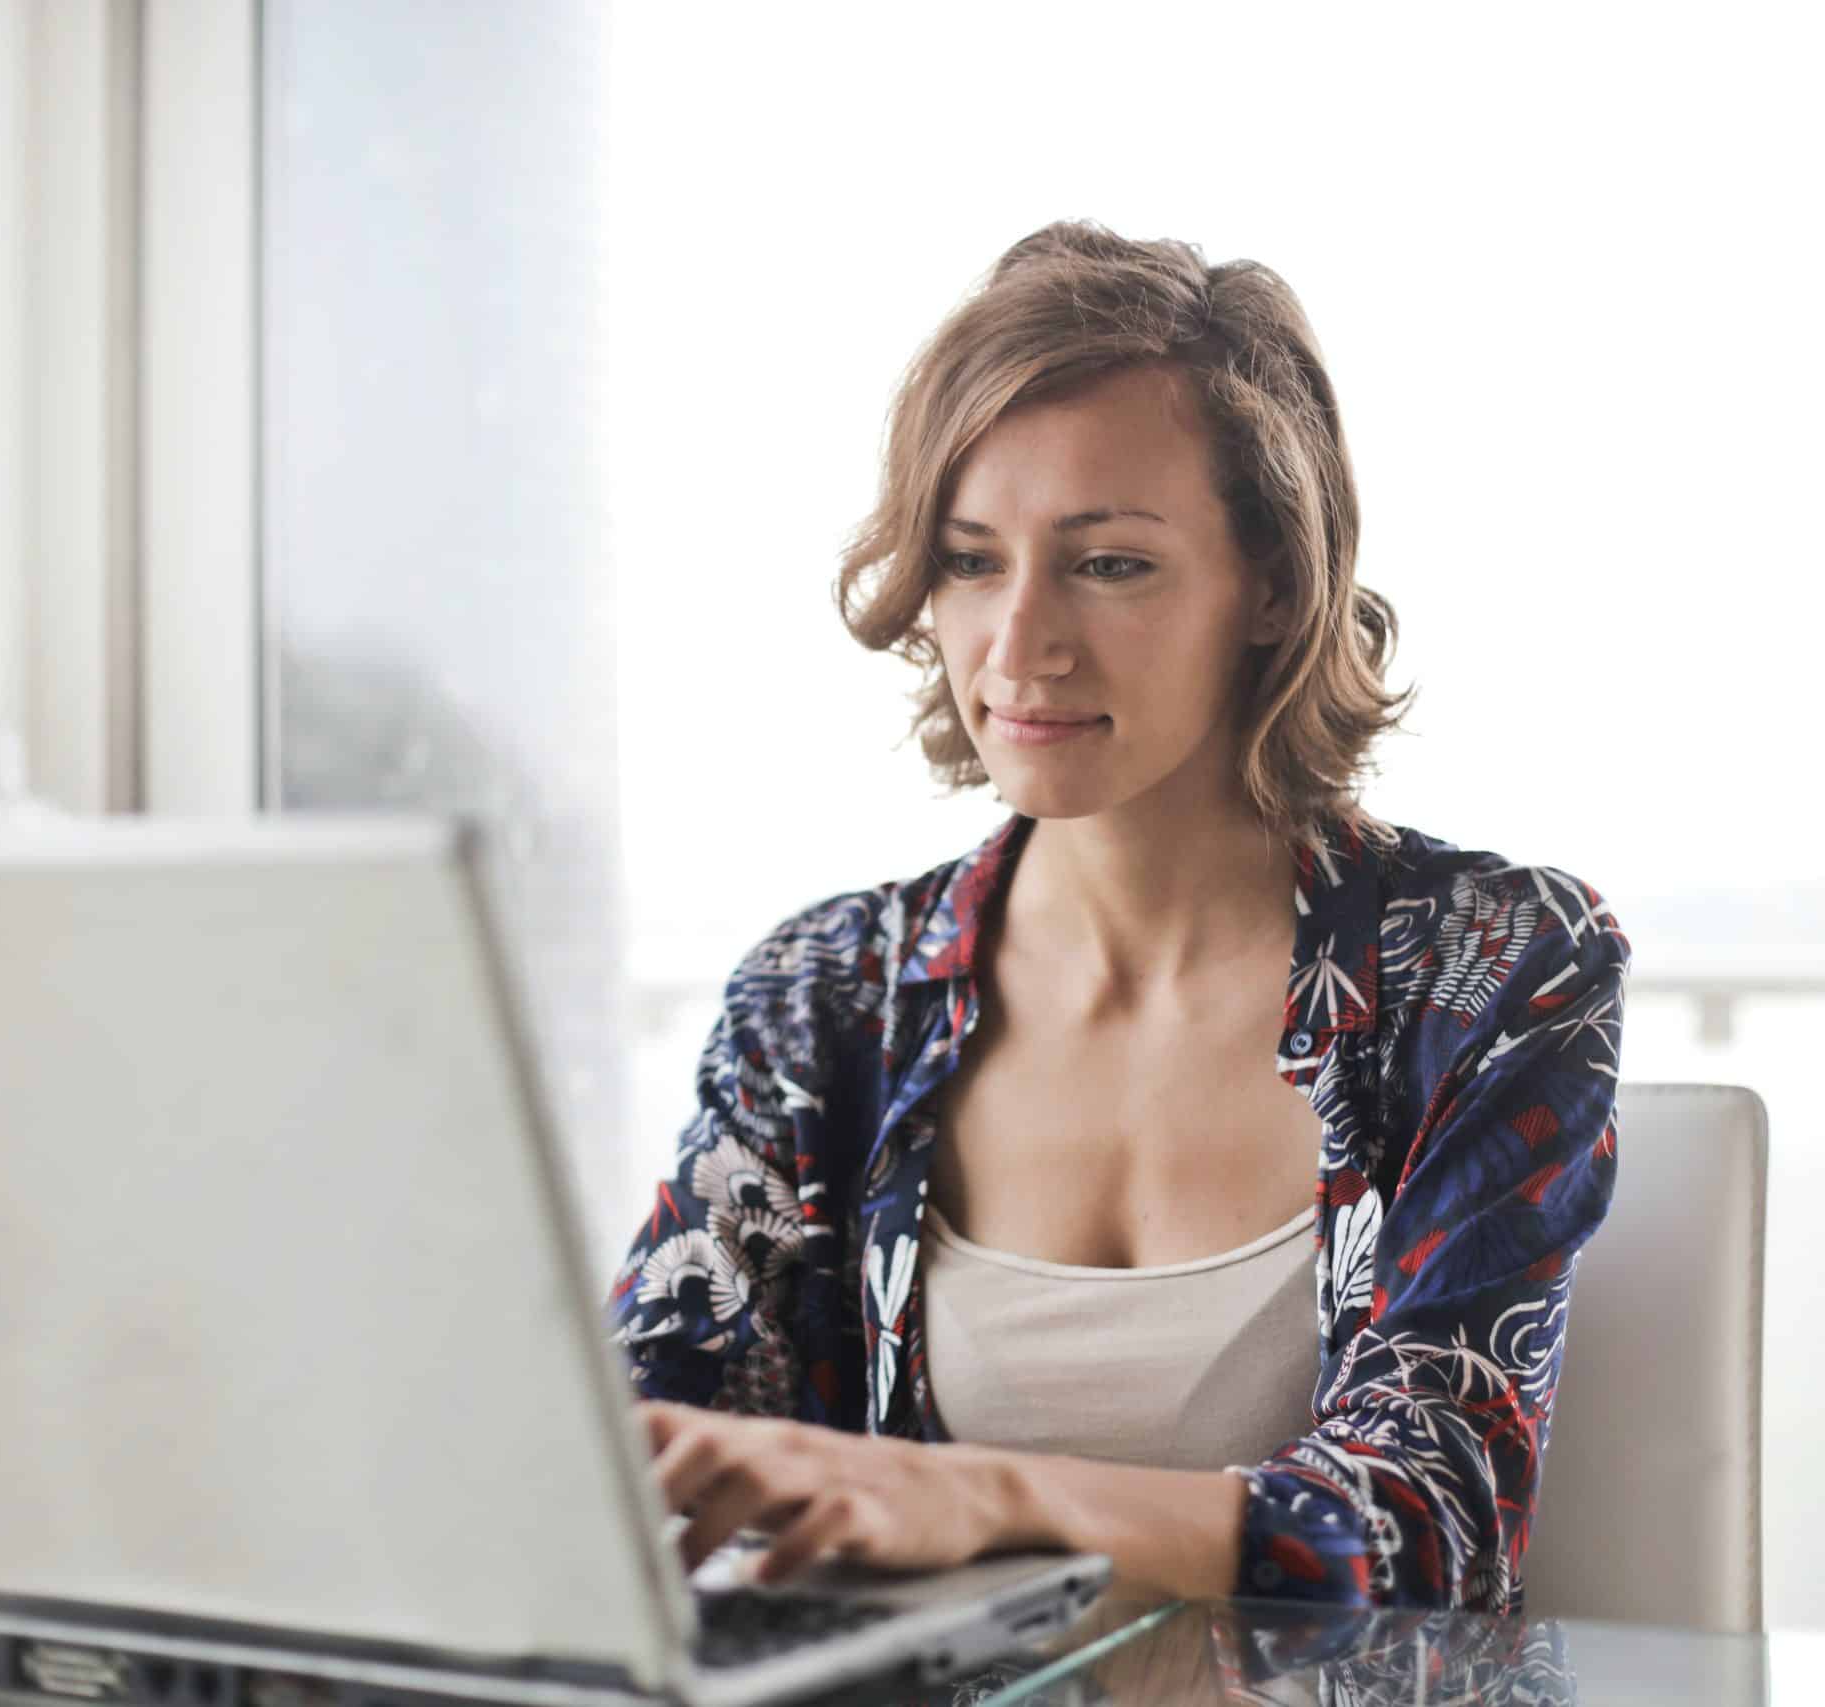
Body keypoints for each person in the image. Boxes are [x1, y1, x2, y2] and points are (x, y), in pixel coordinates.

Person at [605, 220, 1629, 1613]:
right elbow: (636, 1452)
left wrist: (986, 1496)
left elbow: (1434, 1524)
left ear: (1272, 585)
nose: (1019, 645)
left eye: (1110, 565)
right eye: (970, 561)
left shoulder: (1491, 967)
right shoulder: (829, 995)